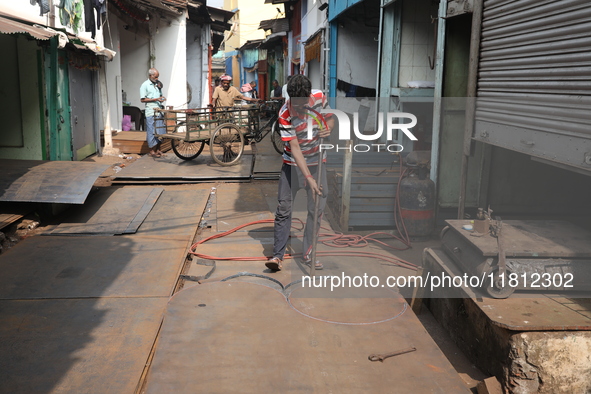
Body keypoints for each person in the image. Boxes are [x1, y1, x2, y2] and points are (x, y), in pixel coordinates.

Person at [265, 74, 334, 272]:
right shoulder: (285, 113)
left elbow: (330, 119)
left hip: (318, 162)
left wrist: (328, 129)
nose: (300, 108)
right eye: (296, 104)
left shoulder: (320, 97)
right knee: (284, 209)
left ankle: (308, 253)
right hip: (292, 165)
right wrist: (309, 179)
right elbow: (295, 149)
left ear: (309, 96)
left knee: (316, 209)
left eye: (303, 103)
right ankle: (277, 256)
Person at [140, 68, 166, 157]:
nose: (157, 78)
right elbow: (142, 99)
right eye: (155, 77)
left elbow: (159, 95)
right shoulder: (145, 85)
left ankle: (159, 149)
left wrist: (161, 98)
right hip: (151, 111)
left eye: (158, 77)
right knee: (151, 131)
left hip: (159, 111)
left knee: (161, 130)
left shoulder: (157, 84)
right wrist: (155, 99)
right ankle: (151, 150)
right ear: (150, 76)